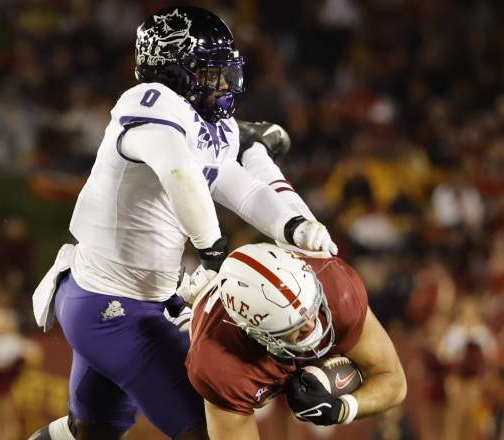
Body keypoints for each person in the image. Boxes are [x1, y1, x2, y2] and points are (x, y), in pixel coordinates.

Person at [30, 6, 337, 440]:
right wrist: (212, 249)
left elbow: (238, 186)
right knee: (211, 431)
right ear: (171, 72)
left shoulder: (211, 125)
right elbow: (180, 172)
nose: (224, 84)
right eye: (210, 73)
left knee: (89, 431)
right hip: (111, 305)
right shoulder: (148, 103)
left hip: (135, 298)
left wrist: (295, 226)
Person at [185, 243, 407, 439]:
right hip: (186, 327)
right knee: (193, 432)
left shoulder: (335, 286)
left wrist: (342, 409)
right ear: (257, 332)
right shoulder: (220, 364)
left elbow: (393, 380)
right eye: (296, 327)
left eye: (313, 308)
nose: (312, 326)